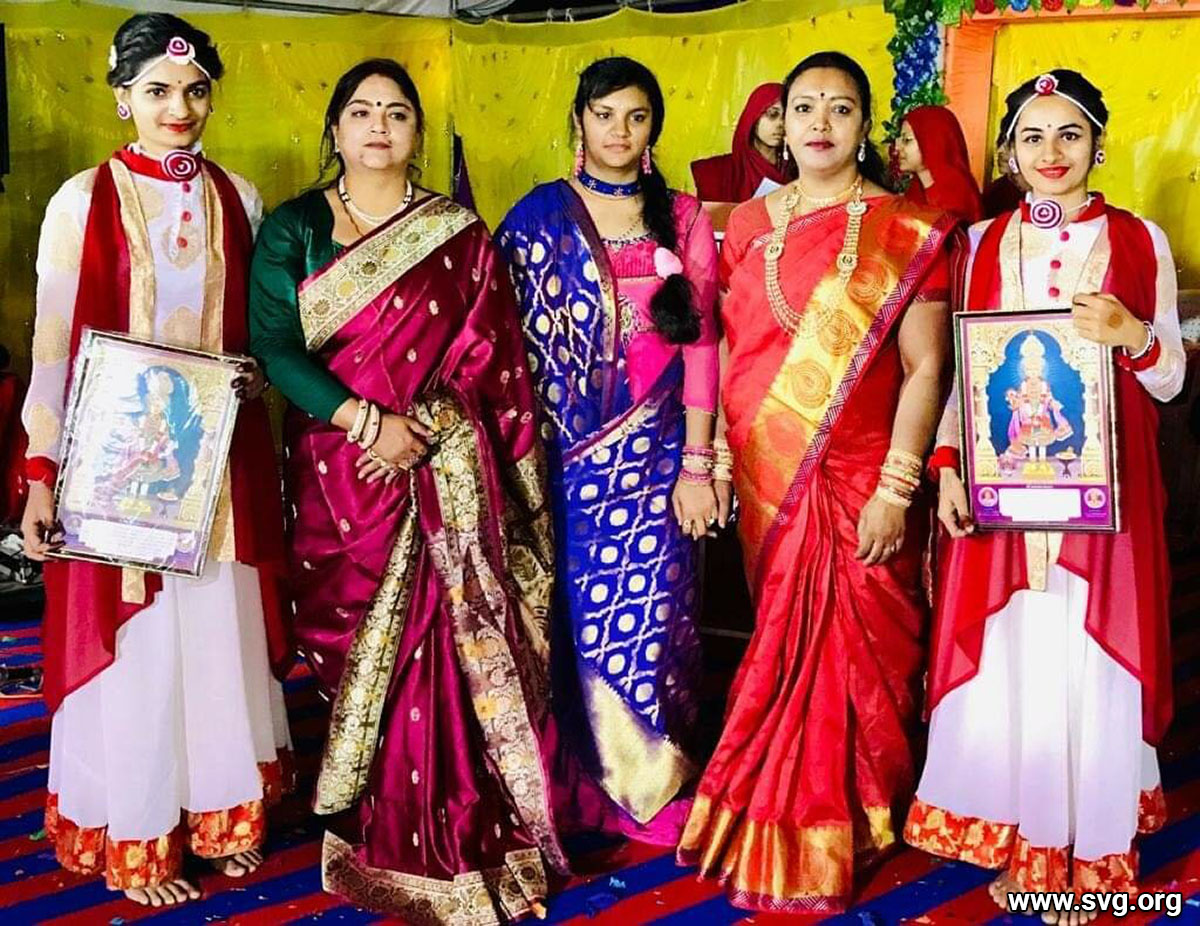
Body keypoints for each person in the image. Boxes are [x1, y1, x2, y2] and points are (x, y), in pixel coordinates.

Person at [248, 58, 565, 923]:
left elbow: (493, 358)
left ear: (417, 131)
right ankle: (369, 809)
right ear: (335, 129)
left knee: (440, 651)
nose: (379, 126)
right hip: (337, 472)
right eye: (361, 111)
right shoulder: (294, 228)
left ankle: (447, 830)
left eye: (396, 112)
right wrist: (365, 423)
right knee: (357, 647)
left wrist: (423, 429)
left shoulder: (458, 235)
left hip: (436, 465)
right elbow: (274, 346)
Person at [19, 12, 292, 908]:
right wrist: (40, 472)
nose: (179, 107)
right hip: (117, 470)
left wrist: (251, 374)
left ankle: (221, 815)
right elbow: (52, 347)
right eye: (158, 91)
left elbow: (259, 334)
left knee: (215, 634)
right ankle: (139, 834)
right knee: (138, 645)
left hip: (219, 465)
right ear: (122, 97)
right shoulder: (80, 201)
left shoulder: (238, 198)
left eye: (195, 90)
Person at [676, 51, 957, 912]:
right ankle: (772, 803)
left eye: (840, 107)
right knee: (778, 640)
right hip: (771, 468)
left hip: (866, 471)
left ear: (864, 126)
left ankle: (853, 815)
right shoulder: (746, 225)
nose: (821, 123)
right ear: (782, 123)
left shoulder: (908, 226)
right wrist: (719, 460)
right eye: (805, 107)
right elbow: (730, 348)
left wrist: (897, 488)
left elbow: (926, 367)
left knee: (864, 651)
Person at [905, 70, 1185, 923]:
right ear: (1009, 154)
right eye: (1033, 137)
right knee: (1022, 652)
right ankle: (1033, 843)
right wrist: (947, 465)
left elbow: (1170, 380)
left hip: (1107, 500)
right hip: (1005, 502)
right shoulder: (981, 243)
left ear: (1099, 143)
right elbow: (966, 369)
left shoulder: (1139, 239)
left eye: (1070, 134)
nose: (1051, 152)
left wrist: (1133, 335)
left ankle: (1092, 849)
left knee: (1090, 655)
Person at [497, 56, 723, 847]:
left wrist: (698, 464)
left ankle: (655, 776)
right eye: (604, 114)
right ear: (579, 121)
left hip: (660, 453)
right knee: (574, 616)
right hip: (566, 458)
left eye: (636, 116)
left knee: (659, 610)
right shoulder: (537, 218)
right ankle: (586, 775)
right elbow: (503, 344)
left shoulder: (686, 218)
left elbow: (703, 346)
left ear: (654, 126)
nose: (619, 131)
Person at [691, 83, 796, 203]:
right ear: (753, 117)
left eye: (786, 117)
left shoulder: (799, 169)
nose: (781, 124)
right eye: (772, 114)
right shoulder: (715, 173)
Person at [894, 104, 984, 224]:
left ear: (932, 141)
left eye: (907, 140)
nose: (897, 148)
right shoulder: (915, 189)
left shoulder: (956, 193)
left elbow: (939, 234)